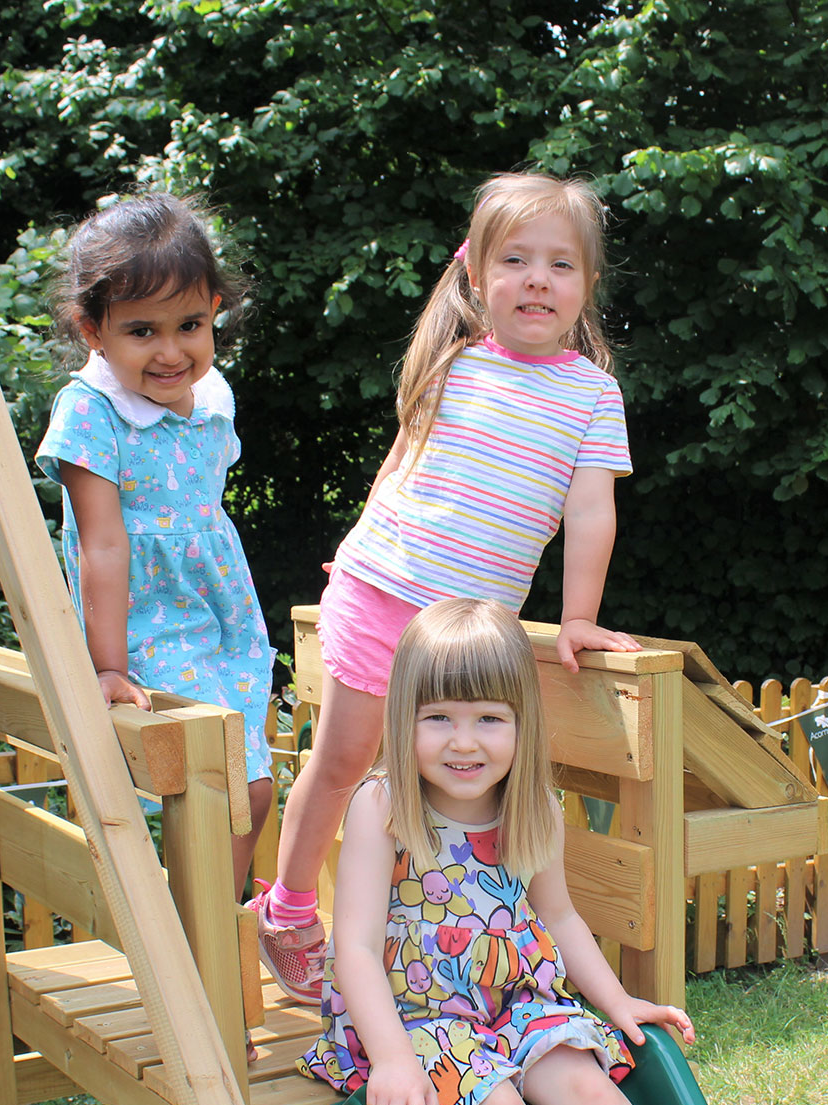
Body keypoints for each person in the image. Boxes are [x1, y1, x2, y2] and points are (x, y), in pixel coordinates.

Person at [299, 599, 798, 1105]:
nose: (465, 741)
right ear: (402, 720)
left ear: (522, 724)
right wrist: (389, 1058)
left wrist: (615, 998)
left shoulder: (533, 808)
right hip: (415, 1018)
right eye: (439, 717)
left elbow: (560, 919)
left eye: (489, 717)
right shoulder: (382, 809)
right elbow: (352, 948)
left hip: (515, 1002)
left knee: (594, 1092)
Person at [254, 171, 641, 1005]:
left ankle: (408, 938)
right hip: (382, 585)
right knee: (348, 758)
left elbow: (591, 511)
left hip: (465, 628)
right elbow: (405, 461)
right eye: (516, 260)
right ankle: (287, 912)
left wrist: (579, 617)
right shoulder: (457, 363)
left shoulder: (592, 395)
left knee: (445, 780)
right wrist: (359, 543)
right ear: (478, 277)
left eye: (561, 264)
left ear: (588, 285)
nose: (538, 279)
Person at [36, 194, 274, 888]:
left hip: (220, 617)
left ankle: (210, 919)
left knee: (249, 787)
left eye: (190, 325)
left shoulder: (212, 398)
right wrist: (108, 665)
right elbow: (101, 546)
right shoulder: (92, 411)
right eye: (143, 330)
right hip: (145, 621)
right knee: (221, 786)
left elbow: (205, 521)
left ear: (215, 311)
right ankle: (197, 933)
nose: (172, 352)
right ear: (93, 330)